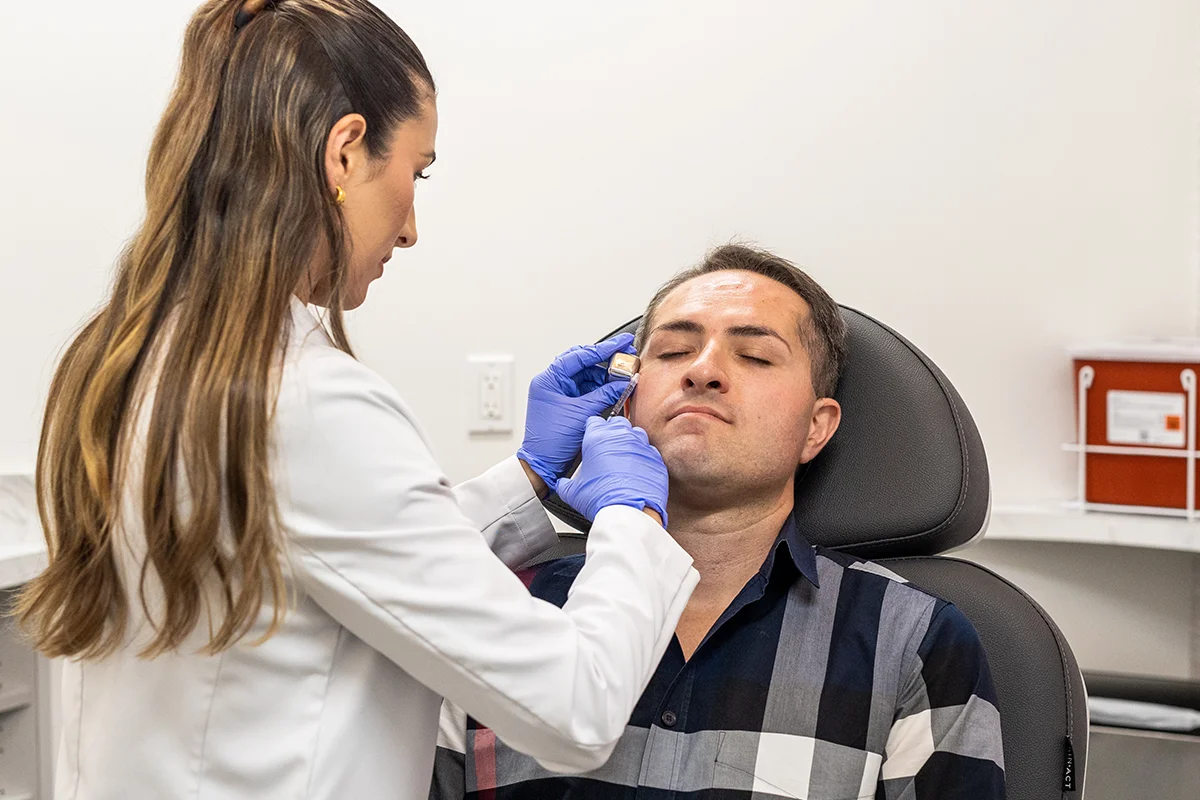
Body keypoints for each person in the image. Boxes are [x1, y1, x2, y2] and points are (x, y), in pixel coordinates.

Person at [14, 2, 699, 798]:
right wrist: (632, 517)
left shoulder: (136, 361)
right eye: (417, 172)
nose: (410, 228)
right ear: (344, 153)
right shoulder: (310, 403)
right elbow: (573, 709)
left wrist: (528, 477)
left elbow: (336, 556)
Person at [432, 244, 1006, 800]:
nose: (702, 372)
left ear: (816, 427)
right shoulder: (499, 604)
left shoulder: (910, 640)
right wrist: (530, 472)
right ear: (626, 405)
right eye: (674, 351)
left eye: (755, 356)